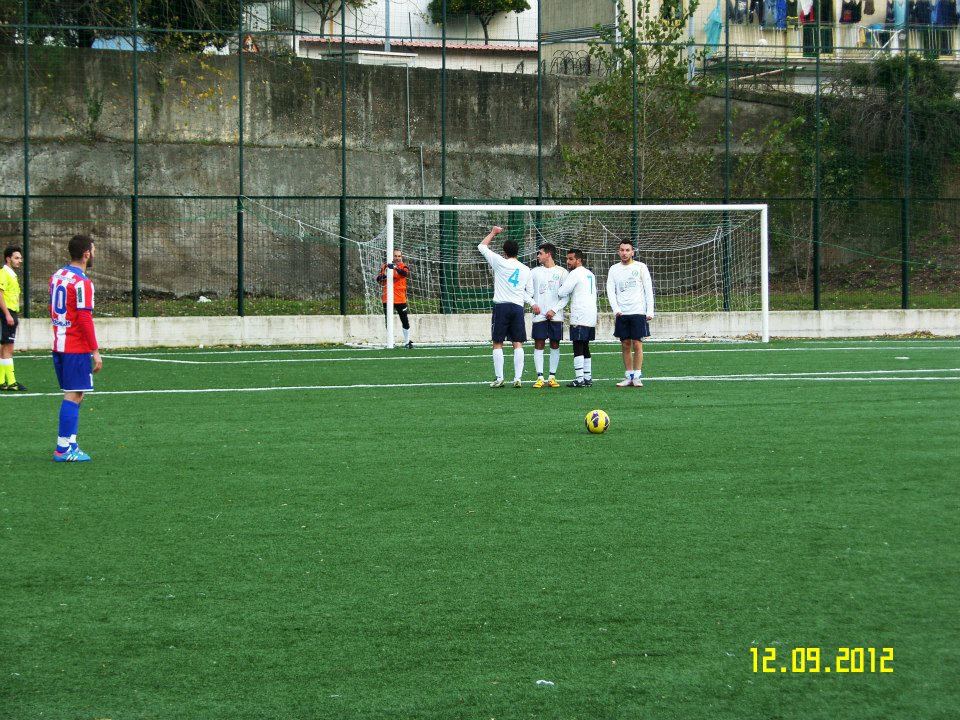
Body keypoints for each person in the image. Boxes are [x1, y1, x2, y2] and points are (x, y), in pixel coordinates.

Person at [50, 234, 103, 463]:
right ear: (86, 254)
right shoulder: (82, 282)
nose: (95, 253)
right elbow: (84, 318)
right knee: (73, 395)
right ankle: (63, 449)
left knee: (76, 393)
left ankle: (70, 442)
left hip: (59, 343)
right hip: (75, 346)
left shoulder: (58, 275)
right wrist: (95, 350)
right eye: (94, 249)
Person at [478, 226, 531, 388]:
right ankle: (518, 378)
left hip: (501, 307)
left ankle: (500, 378)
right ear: (517, 252)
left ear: (504, 252)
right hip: (517, 308)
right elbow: (529, 292)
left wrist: (493, 233)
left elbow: (481, 246)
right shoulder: (525, 269)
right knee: (518, 343)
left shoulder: (500, 262)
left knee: (497, 342)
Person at [607, 239, 654, 388]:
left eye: (627, 250)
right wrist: (616, 309)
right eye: (622, 250)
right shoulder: (614, 269)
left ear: (632, 252)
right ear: (618, 251)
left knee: (637, 344)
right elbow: (610, 291)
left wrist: (650, 310)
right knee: (625, 344)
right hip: (622, 313)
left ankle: (637, 376)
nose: (624, 253)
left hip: (638, 311)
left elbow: (648, 289)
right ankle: (628, 376)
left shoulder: (641, 267)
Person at [551, 248, 597, 388]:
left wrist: (559, 288)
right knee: (585, 345)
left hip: (580, 314)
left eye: (571, 259)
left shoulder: (575, 273)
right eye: (567, 258)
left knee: (578, 345)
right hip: (591, 314)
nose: (568, 261)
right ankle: (588, 377)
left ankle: (579, 378)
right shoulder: (590, 274)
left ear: (579, 260)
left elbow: (562, 291)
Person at [525, 243, 568, 388]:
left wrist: (554, 310)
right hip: (539, 315)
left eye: (540, 253)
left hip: (555, 316)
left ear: (548, 254)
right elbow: (526, 292)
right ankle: (540, 377)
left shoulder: (562, 272)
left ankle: (552, 377)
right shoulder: (534, 272)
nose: (538, 256)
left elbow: (566, 296)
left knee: (555, 344)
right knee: (539, 344)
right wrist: (532, 304)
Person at [0, 245, 26, 391]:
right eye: (16, 258)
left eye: (20, 258)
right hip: (7, 313)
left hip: (9, 313)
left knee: (4, 346)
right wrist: (8, 314)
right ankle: (11, 382)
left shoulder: (10, 274)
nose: (19, 261)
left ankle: (2, 381)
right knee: (9, 348)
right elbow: (0, 294)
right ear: (8, 259)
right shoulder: (4, 273)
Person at [376, 249, 413, 348]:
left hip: (400, 298)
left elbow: (404, 274)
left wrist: (395, 268)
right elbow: (378, 279)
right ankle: (390, 341)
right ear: (391, 256)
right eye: (395, 256)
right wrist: (383, 277)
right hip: (387, 297)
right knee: (388, 320)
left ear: (401, 257)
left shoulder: (403, 266)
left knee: (404, 319)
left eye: (399, 256)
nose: (397, 258)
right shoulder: (384, 267)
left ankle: (407, 341)